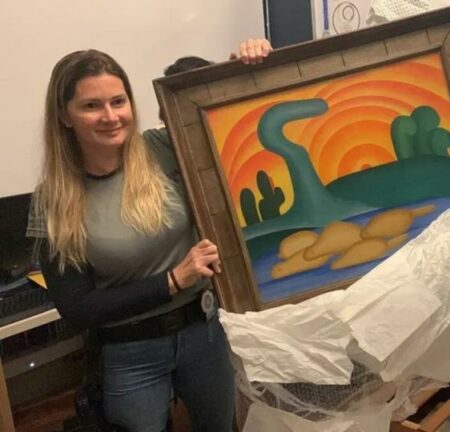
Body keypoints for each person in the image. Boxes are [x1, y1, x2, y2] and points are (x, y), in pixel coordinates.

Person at [27, 38, 272, 431]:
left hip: (205, 333)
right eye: (92, 106)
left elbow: (242, 125)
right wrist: (173, 280)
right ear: (64, 116)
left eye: (118, 101)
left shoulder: (165, 147)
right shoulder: (53, 201)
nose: (110, 116)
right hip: (128, 353)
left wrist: (243, 69)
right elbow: (77, 307)